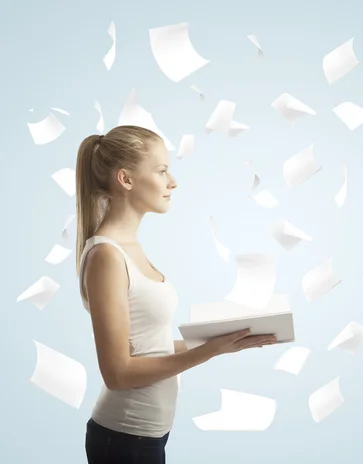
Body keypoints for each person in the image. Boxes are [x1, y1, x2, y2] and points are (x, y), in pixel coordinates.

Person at [75, 125, 276, 463]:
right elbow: (118, 373)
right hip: (124, 441)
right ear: (126, 179)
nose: (173, 181)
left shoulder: (128, 248)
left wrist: (226, 340)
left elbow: (149, 347)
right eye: (162, 170)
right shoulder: (107, 256)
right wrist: (208, 352)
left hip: (146, 437)